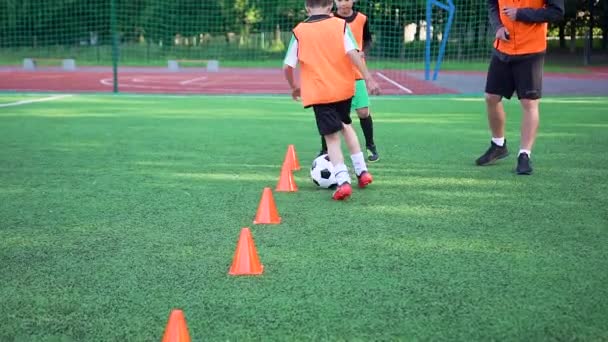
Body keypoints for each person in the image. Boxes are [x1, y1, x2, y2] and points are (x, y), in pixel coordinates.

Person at [283, 0, 381, 200]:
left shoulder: (299, 31)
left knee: (332, 139)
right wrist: (368, 78)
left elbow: (287, 66)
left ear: (307, 8)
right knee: (346, 125)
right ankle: (362, 172)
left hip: (319, 92)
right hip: (343, 89)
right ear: (330, 8)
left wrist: (294, 87)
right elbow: (354, 54)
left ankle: (343, 181)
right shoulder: (340, 24)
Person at [475, 0, 564, 174]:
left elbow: (557, 12)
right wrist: (498, 27)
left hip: (531, 50)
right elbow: (493, 5)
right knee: (491, 97)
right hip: (503, 48)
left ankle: (524, 155)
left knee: (529, 103)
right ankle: (498, 145)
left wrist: (521, 14)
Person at [316, 0, 379, 162]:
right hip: (336, 73)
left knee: (363, 112)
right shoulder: (329, 19)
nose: (343, 3)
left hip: (357, 71)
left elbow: (368, 40)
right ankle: (325, 150)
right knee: (331, 113)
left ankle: (370, 146)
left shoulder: (362, 19)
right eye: (339, 0)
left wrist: (363, 52)